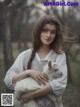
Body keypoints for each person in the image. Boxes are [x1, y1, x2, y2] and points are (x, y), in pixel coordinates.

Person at [4, 15, 68, 107]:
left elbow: (60, 85)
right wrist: (28, 72)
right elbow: (9, 80)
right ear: (38, 31)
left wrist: (32, 95)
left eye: (53, 32)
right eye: (45, 30)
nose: (48, 35)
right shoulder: (25, 55)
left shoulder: (59, 56)